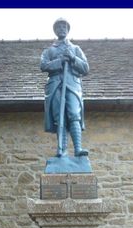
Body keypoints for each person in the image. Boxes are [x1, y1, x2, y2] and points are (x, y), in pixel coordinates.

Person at [40, 18, 89, 157]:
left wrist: (73, 58)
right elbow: (43, 66)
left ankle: (78, 149)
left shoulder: (75, 49)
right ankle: (62, 150)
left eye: (64, 26)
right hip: (55, 85)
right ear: (55, 30)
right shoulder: (49, 51)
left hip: (72, 84)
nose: (62, 28)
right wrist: (60, 61)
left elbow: (85, 68)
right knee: (59, 117)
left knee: (74, 114)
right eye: (59, 27)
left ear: (67, 30)